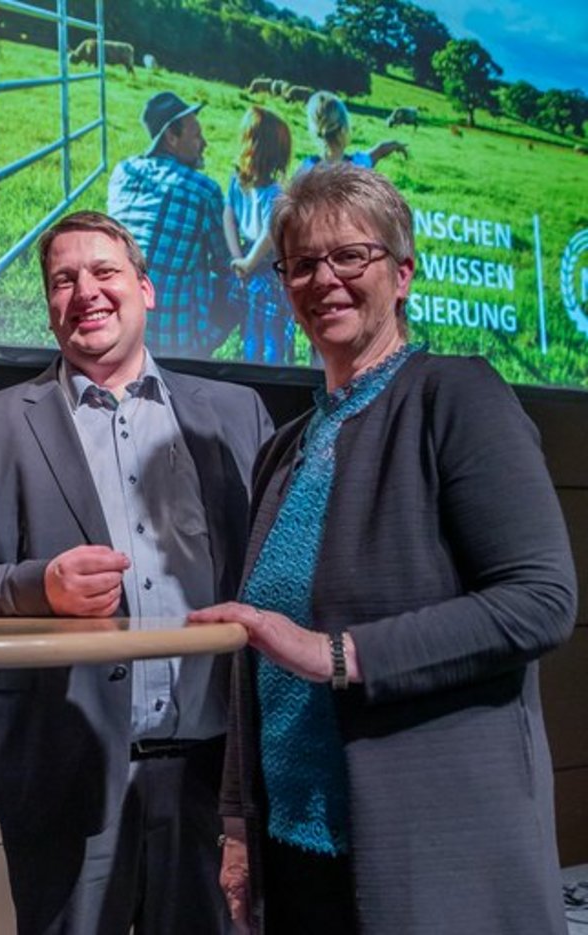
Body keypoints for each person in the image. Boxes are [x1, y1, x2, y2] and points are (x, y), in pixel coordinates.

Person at [189, 163, 576, 934]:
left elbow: (540, 602)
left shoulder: (458, 396)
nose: (322, 279)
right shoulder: (291, 443)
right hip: (296, 843)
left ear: (401, 274)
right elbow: (257, 657)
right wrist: (238, 821)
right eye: (300, 263)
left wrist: (340, 654)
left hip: (431, 848)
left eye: (349, 257)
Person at [0, 210, 271, 934]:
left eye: (104, 273)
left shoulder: (235, 415)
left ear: (146, 289)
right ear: (48, 304)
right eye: (63, 280)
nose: (86, 292)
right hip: (64, 779)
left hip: (216, 778)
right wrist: (36, 586)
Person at [107, 91, 239, 357]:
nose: (205, 143)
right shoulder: (202, 189)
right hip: (175, 344)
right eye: (196, 135)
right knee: (241, 280)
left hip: (117, 335)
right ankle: (203, 348)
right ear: (171, 137)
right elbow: (226, 263)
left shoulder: (123, 172)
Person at [223, 106, 293, 365]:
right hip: (266, 268)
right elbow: (270, 235)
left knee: (252, 325)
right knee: (270, 331)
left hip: (247, 261)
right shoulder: (274, 192)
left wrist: (237, 258)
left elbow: (228, 217)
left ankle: (253, 363)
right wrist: (247, 261)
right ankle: (270, 371)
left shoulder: (236, 180)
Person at [297, 91, 407, 173]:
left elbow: (287, 200)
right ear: (345, 129)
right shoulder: (358, 166)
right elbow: (380, 150)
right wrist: (396, 145)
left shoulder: (306, 169)